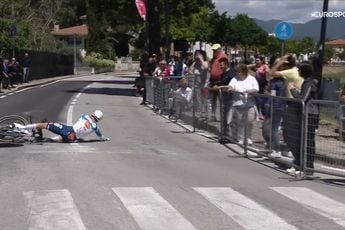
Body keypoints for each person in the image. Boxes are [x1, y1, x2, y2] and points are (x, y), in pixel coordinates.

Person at [287, 62, 319, 176]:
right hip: (307, 114)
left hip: (310, 114)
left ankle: (308, 167)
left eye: (299, 70)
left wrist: (292, 90)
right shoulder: (308, 83)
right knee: (303, 140)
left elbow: (303, 99)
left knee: (308, 141)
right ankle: (301, 165)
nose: (298, 72)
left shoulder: (309, 83)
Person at [11, 110, 110, 143]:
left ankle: (21, 128)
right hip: (72, 138)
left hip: (68, 130)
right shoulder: (95, 127)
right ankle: (32, 137)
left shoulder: (85, 116)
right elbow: (101, 137)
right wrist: (106, 139)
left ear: (93, 114)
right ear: (99, 119)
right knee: (49, 140)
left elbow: (81, 119)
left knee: (46, 125)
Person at [226, 64, 259, 145]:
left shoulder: (252, 79)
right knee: (240, 122)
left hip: (249, 103)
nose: (238, 74)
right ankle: (240, 138)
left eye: (239, 72)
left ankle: (248, 138)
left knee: (249, 121)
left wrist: (249, 91)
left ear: (244, 72)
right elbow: (230, 86)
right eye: (237, 72)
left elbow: (256, 89)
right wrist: (230, 88)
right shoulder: (235, 79)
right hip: (238, 103)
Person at [208, 43, 228, 121]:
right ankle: (213, 116)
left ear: (219, 49)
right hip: (213, 81)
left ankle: (222, 117)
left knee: (221, 100)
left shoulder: (223, 56)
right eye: (213, 50)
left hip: (220, 81)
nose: (214, 51)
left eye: (215, 50)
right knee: (213, 100)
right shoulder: (214, 57)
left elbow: (225, 67)